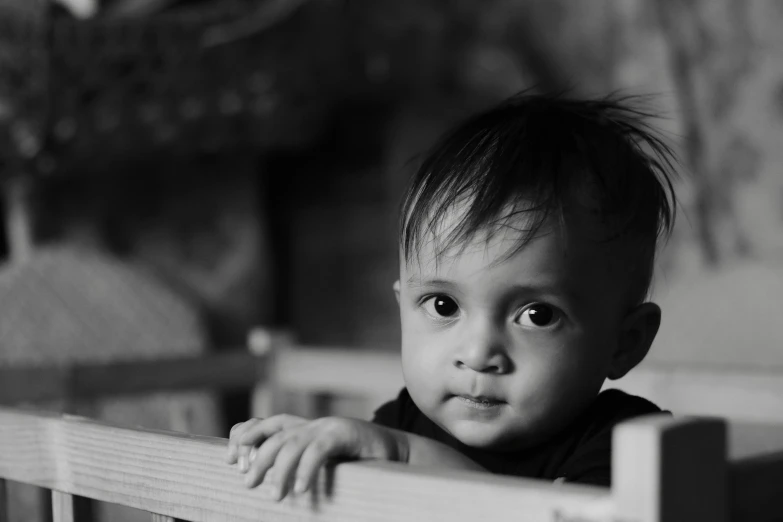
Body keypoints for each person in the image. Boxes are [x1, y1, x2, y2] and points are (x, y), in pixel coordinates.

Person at [226, 92, 678, 500]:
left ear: (626, 341)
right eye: (444, 305)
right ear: (403, 304)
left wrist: (405, 456)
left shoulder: (631, 444)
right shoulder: (399, 421)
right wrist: (300, 454)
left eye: (537, 315)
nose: (479, 354)